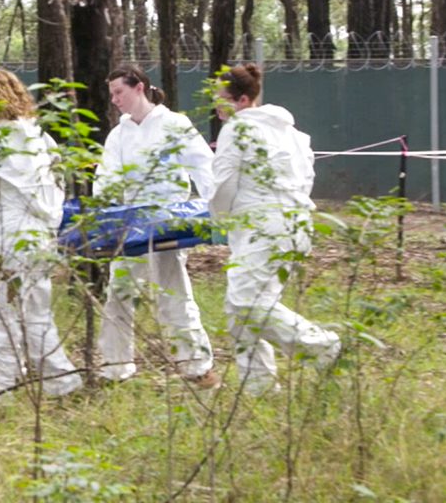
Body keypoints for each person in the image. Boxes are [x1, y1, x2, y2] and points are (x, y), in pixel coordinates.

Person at [0, 69, 81, 404]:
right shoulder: (36, 134)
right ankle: (62, 385)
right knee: (33, 313)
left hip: (15, 239)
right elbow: (55, 191)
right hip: (38, 238)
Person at [211, 63, 340, 393]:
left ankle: (320, 345)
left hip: (262, 225)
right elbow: (307, 177)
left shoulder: (237, 128)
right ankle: (258, 387)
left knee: (245, 303)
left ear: (240, 100)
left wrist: (218, 215)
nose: (216, 104)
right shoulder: (290, 132)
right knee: (241, 305)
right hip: (292, 223)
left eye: (220, 98)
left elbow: (224, 181)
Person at [92, 64, 218, 388]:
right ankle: (114, 368)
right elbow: (105, 180)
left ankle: (197, 368)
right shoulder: (118, 134)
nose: (115, 100)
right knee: (118, 292)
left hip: (166, 223)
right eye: (111, 94)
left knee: (172, 294)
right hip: (128, 225)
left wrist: (218, 210)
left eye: (119, 92)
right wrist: (105, 215)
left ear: (139, 88)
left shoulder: (175, 125)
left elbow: (204, 167)